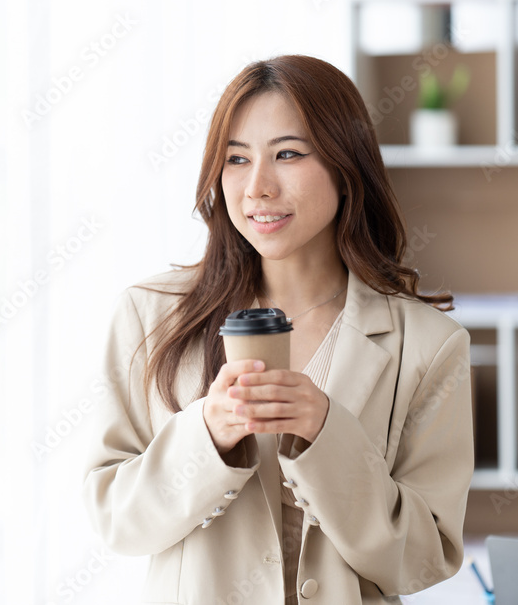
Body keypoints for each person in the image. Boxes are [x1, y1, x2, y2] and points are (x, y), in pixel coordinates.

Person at [81, 55, 474, 604]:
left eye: (287, 154)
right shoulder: (150, 315)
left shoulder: (429, 345)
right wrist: (207, 436)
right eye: (236, 159)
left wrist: (327, 436)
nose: (257, 187)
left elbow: (426, 558)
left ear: (346, 165)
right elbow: (116, 520)